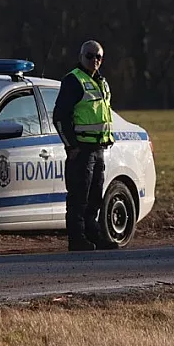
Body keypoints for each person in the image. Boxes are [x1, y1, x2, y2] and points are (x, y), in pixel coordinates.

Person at [52, 40, 119, 251]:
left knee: (94, 197)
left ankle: (93, 234)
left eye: (98, 57)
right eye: (90, 56)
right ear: (81, 56)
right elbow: (60, 117)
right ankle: (77, 238)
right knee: (78, 196)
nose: (94, 61)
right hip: (81, 149)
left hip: (99, 148)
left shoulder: (101, 81)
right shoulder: (73, 80)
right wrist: (72, 146)